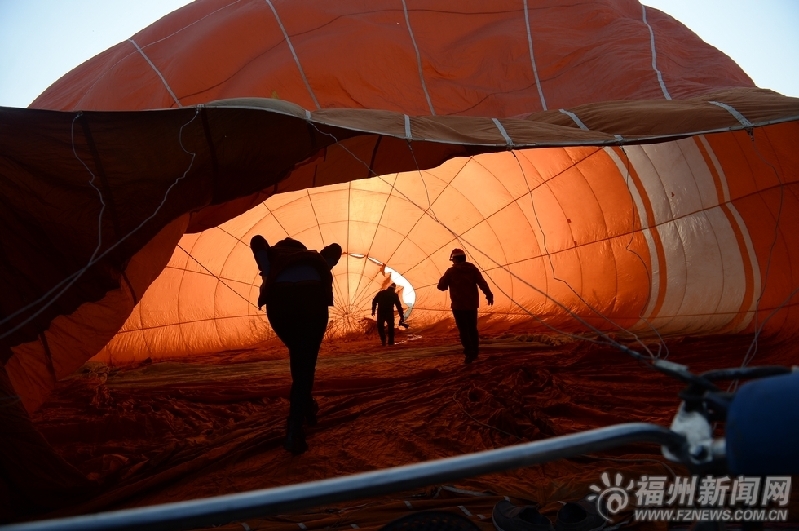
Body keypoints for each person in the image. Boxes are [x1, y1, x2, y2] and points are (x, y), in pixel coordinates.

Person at [250, 235, 342, 454]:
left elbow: (257, 239)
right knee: (305, 364)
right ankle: (294, 428)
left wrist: (264, 263)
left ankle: (306, 406)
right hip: (312, 300)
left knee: (298, 356)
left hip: (281, 304)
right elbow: (335, 248)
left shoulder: (273, 256)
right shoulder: (313, 258)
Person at [437, 248, 493, 364]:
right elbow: (482, 283)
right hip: (472, 305)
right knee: (472, 329)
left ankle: (469, 353)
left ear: (455, 259)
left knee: (464, 330)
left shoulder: (451, 272)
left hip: (458, 306)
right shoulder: (473, 270)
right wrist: (488, 294)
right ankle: (475, 351)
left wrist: (444, 279)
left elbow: (441, 286)